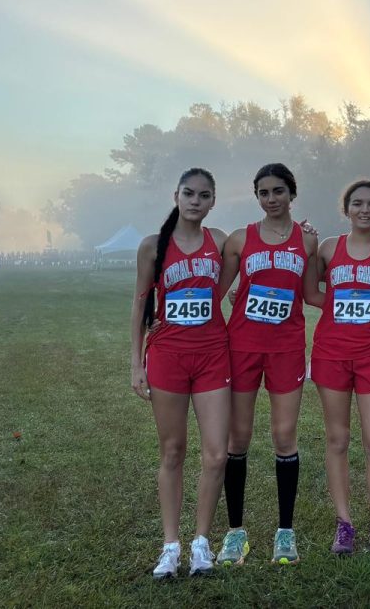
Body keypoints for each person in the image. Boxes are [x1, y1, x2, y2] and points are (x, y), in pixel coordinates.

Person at [129, 168, 231, 580]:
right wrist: (136, 363)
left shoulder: (220, 242)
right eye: (188, 193)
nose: (195, 201)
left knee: (216, 453)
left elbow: (268, 237)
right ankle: (171, 546)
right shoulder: (153, 247)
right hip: (168, 356)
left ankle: (201, 543)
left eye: (203, 195)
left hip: (212, 355)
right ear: (176, 195)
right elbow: (139, 306)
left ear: (212, 201)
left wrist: (303, 227)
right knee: (172, 452)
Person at [215, 163, 319, 566]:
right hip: (242, 347)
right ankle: (235, 534)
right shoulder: (241, 239)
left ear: (292, 193)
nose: (271, 199)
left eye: (278, 191)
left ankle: (285, 534)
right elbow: (219, 289)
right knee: (236, 440)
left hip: (286, 349)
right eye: (264, 192)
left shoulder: (307, 242)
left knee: (284, 437)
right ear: (256, 196)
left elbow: (311, 294)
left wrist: (357, 301)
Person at [306, 181, 370, 559]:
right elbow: (311, 292)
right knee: (338, 440)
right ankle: (344, 523)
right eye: (357, 203)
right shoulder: (329, 247)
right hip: (332, 352)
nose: (365, 210)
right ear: (346, 208)